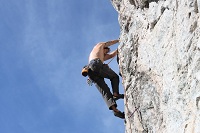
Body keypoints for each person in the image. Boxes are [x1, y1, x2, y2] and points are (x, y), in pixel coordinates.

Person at [84, 39, 125, 119]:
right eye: (106, 51)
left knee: (105, 91)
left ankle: (115, 111)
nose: (106, 52)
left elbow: (112, 55)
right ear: (104, 48)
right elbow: (109, 43)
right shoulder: (99, 45)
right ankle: (116, 94)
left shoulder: (101, 55)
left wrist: (118, 49)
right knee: (114, 77)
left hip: (92, 72)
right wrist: (119, 40)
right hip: (95, 64)